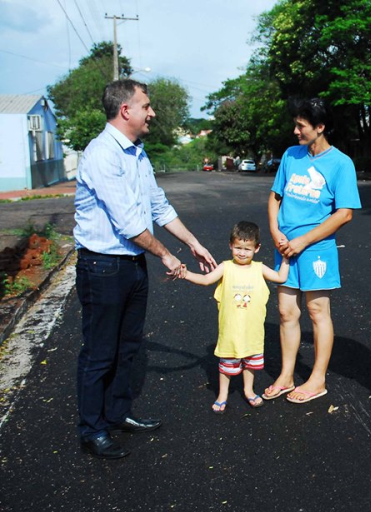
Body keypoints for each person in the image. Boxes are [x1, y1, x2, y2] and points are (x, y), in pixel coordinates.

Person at [74, 79, 217, 460]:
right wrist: (167, 256)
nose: (152, 112)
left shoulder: (137, 152)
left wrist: (193, 243)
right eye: (146, 106)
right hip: (102, 266)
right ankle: (92, 429)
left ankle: (118, 414)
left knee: (128, 348)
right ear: (126, 110)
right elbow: (127, 224)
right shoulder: (102, 154)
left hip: (131, 265)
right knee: (100, 352)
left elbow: (159, 206)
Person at [264, 98, 361, 404]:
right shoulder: (291, 156)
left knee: (318, 312)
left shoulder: (341, 163)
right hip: (285, 246)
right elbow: (274, 198)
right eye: (295, 124)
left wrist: (303, 241)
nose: (295, 131)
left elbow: (344, 213)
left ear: (320, 128)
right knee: (285, 312)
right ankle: (286, 375)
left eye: (301, 126)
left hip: (315, 249)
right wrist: (275, 231)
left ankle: (317, 379)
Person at [179, 221, 289, 414]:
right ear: (230, 245)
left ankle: (248, 390)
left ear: (257, 248)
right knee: (226, 366)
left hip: (252, 332)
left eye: (247, 249)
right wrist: (185, 274)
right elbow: (205, 280)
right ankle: (222, 395)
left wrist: (286, 258)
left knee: (251, 363)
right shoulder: (225, 267)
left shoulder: (260, 269)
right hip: (230, 331)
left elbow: (280, 278)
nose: (242, 252)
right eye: (238, 247)